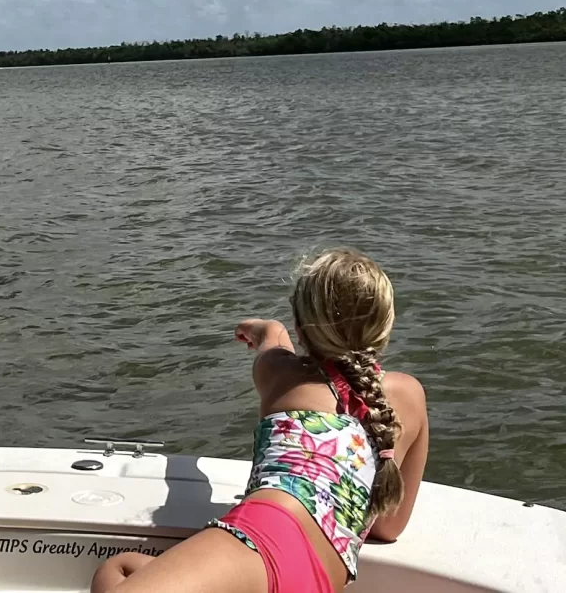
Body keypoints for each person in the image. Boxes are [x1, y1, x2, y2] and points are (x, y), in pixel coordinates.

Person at [91, 248, 430, 593]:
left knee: (117, 571)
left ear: (302, 329)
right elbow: (389, 527)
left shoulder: (278, 373)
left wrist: (266, 328)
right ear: (386, 326)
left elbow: (272, 343)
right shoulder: (409, 397)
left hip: (267, 536)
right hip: (321, 576)